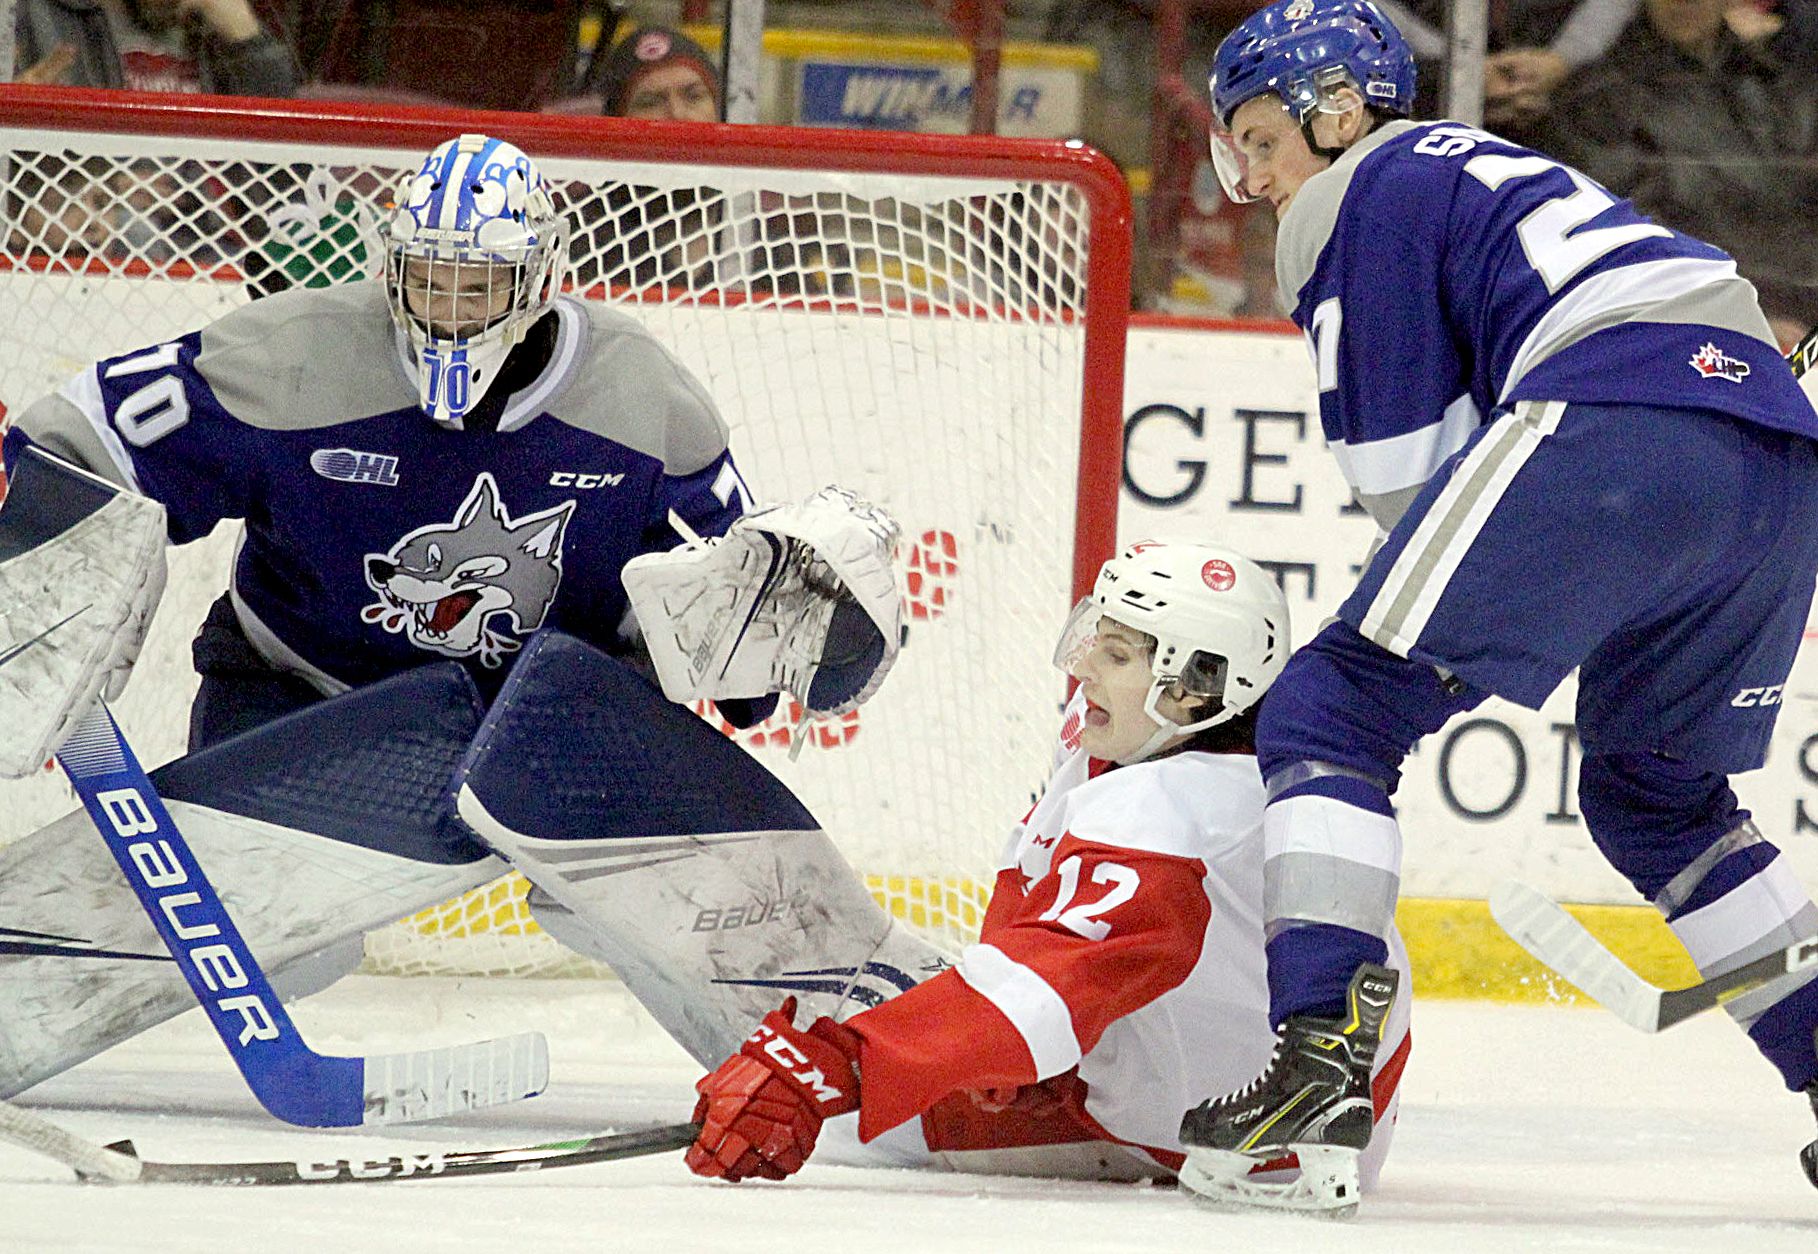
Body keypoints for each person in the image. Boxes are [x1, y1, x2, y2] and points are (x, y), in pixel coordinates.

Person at [1177, 0, 1818, 1214]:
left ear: (1338, 111)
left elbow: (1401, 478)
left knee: (1332, 705)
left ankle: (1315, 1069)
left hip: (1619, 416)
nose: (1252, 177)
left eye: (1262, 139)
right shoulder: (1480, 176)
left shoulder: (1361, 190)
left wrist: (1494, 620)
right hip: (1780, 453)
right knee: (1661, 798)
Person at [683, 541, 1413, 1214]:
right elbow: (1039, 909)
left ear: (1195, 689)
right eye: (1097, 636)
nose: (1084, 666)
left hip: (1238, 1134)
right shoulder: (1196, 753)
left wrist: (831, 1069)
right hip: (1333, 1107)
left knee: (852, 1125)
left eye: (1117, 654)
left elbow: (1052, 981)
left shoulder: (1166, 807)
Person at [2, 131, 764, 749]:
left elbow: (731, 633)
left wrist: (776, 644)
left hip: (536, 728)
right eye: (429, 278)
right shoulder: (295, 355)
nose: (450, 310)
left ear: (535, 281)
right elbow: (82, 436)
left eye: (479, 285)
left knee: (676, 902)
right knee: (278, 937)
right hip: (299, 690)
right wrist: (31, 541)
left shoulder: (643, 400)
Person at [1525, 0, 1818, 344]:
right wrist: (1746, 314)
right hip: (1703, 327)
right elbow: (1630, 242)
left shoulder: (1777, 86)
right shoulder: (1598, 103)